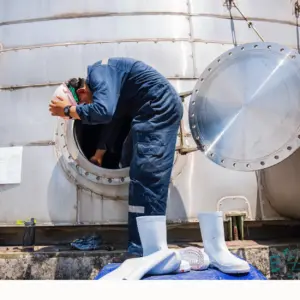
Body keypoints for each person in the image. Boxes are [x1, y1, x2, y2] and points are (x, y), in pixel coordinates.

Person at [49, 58, 183, 256]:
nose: (86, 107)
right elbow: (113, 122)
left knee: (147, 177)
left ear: (81, 92)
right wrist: (99, 154)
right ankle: (142, 247)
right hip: (148, 114)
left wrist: (69, 111)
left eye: (84, 104)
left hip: (157, 111)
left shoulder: (98, 72)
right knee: (138, 172)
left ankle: (148, 251)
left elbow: (103, 112)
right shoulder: (110, 83)